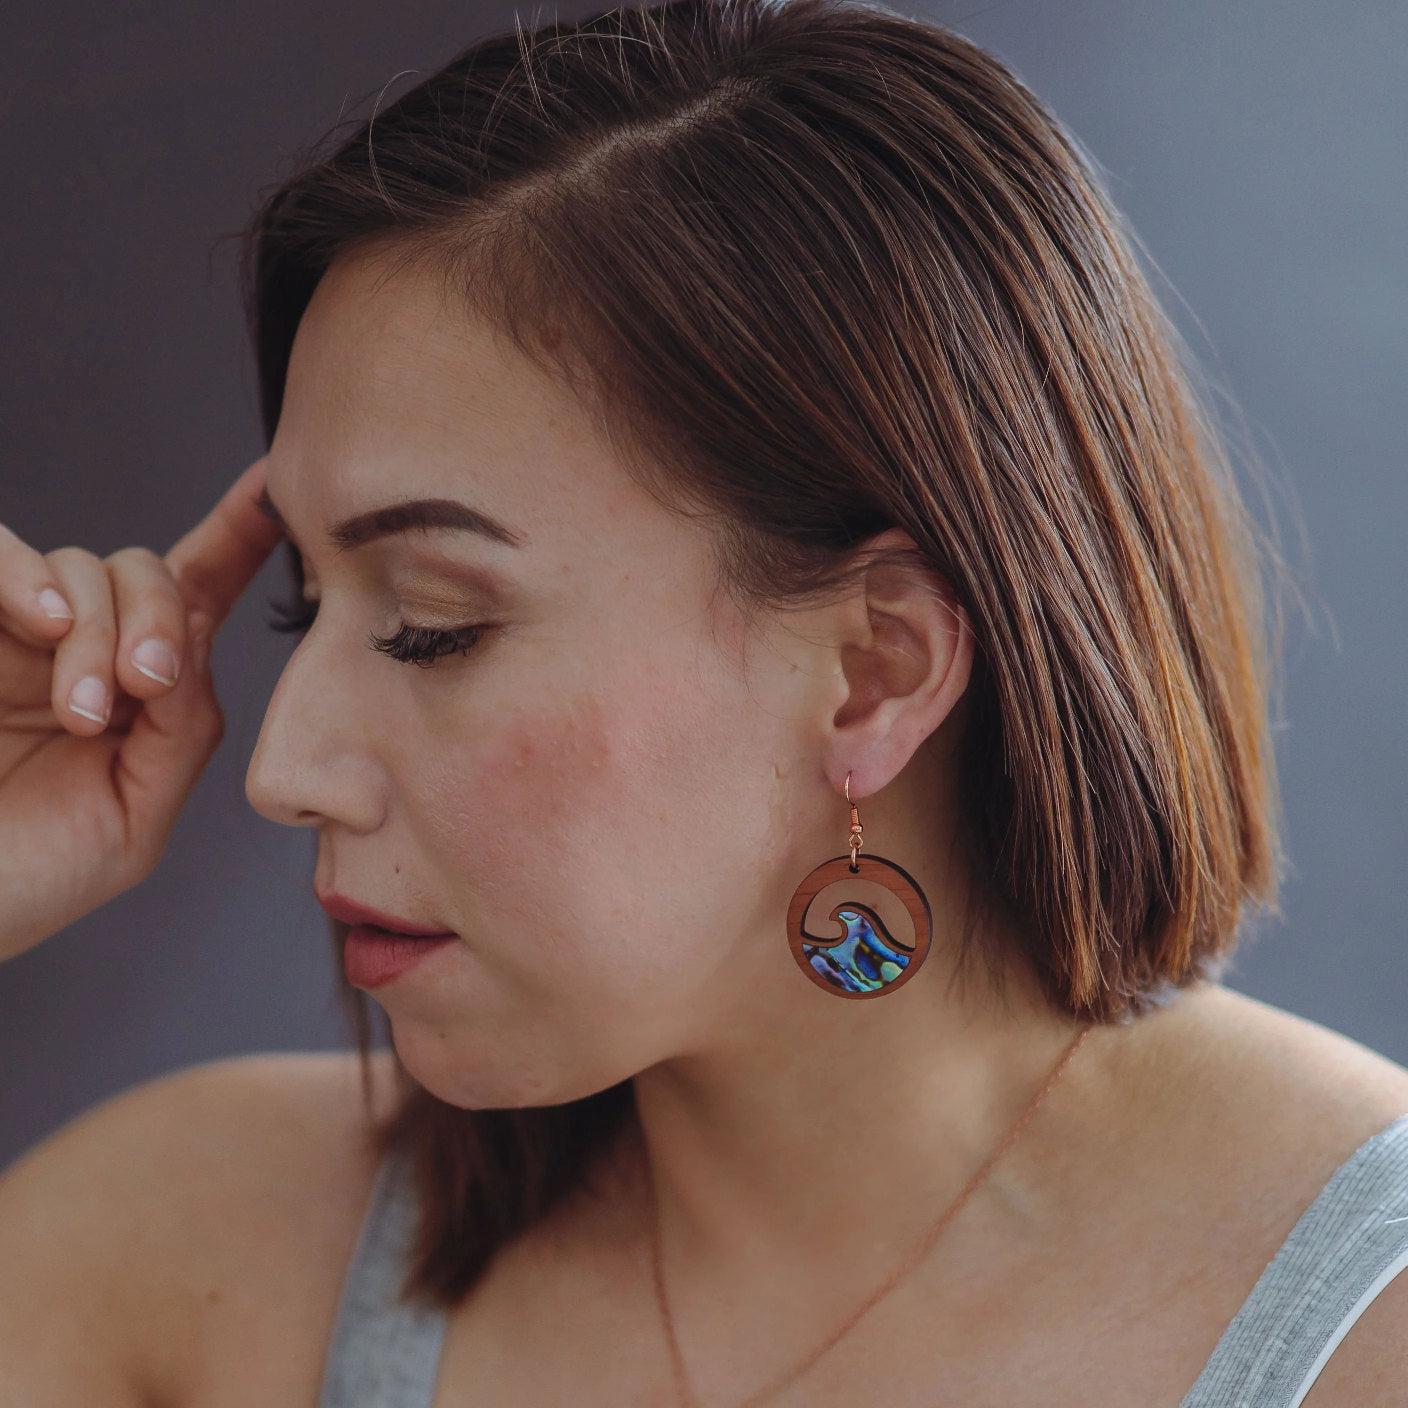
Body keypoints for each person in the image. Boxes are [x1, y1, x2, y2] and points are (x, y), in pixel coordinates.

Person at [0, 0, 1405, 1403]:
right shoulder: (190, 1260)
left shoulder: (1360, 1336)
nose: (283, 766)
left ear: (876, 671)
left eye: (435, 626)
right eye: (303, 604)